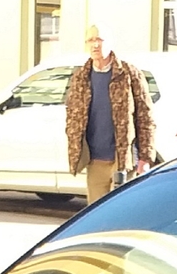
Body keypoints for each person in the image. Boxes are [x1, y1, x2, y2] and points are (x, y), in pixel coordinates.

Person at [66, 27, 156, 203]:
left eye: (100, 39)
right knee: (96, 215)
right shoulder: (81, 77)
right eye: (91, 40)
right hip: (95, 160)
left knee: (123, 212)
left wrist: (145, 158)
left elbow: (146, 118)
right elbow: (72, 116)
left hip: (122, 159)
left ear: (110, 43)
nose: (95, 45)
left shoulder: (129, 74)